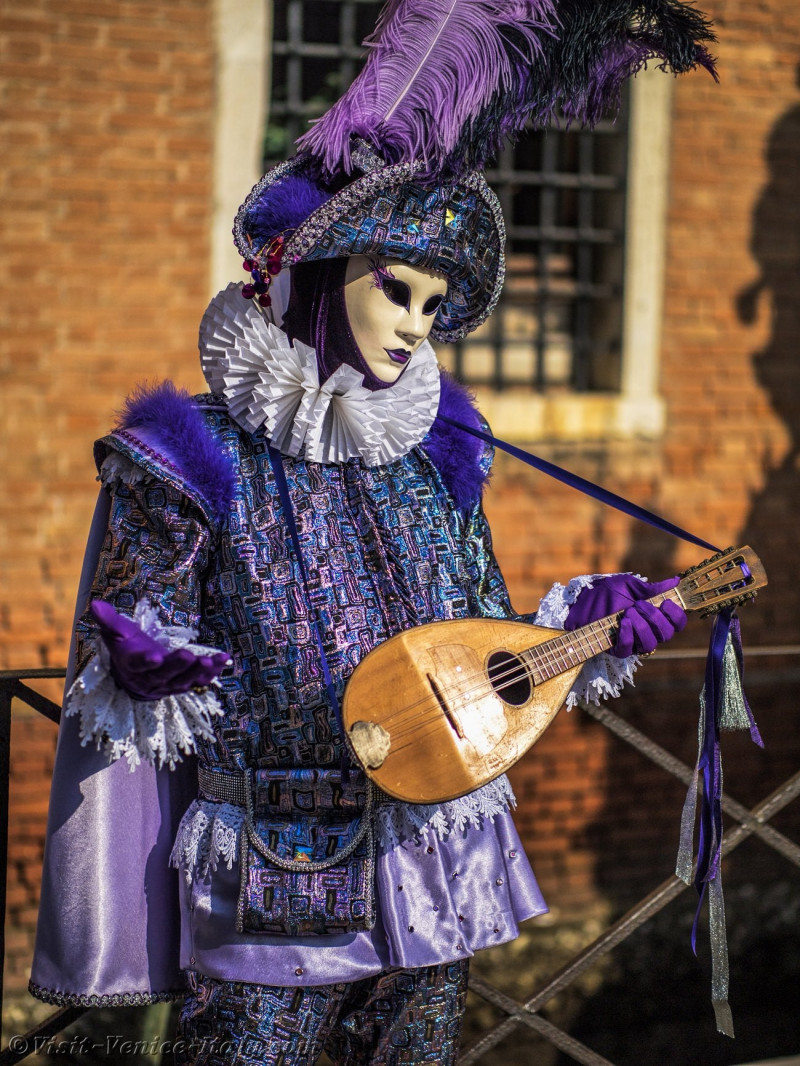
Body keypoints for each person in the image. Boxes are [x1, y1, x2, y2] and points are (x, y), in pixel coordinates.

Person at [29, 2, 718, 1062]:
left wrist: (577, 622)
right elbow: (140, 620)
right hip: (272, 881)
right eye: (395, 288)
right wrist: (144, 653)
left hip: (430, 869)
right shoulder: (189, 455)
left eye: (435, 305)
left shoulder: (438, 450)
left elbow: (476, 629)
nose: (414, 323)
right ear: (310, 281)